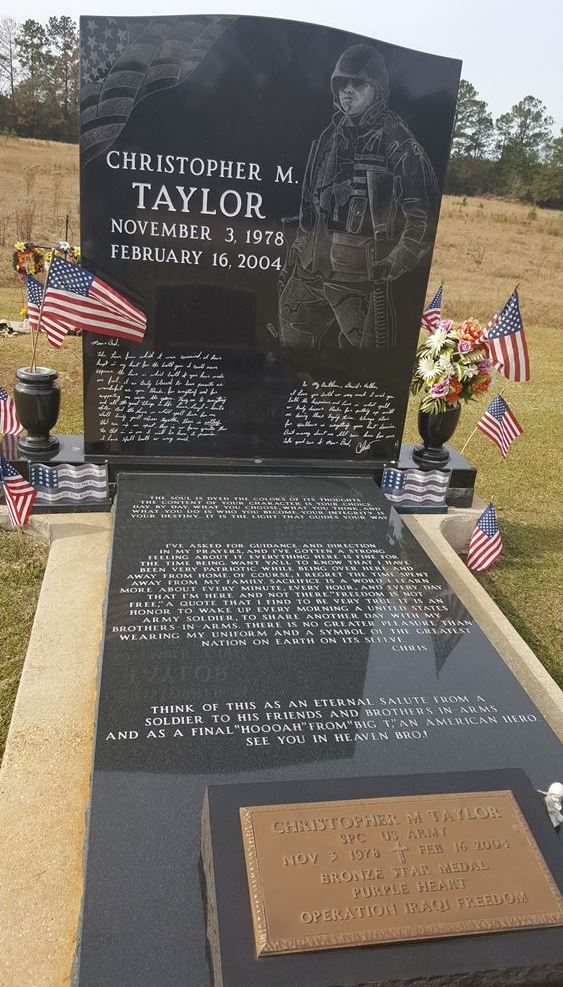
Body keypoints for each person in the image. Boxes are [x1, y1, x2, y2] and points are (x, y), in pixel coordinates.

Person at [279, 44, 439, 349]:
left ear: (377, 89)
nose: (347, 92)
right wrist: (298, 250)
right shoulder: (329, 135)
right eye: (342, 84)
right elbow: (310, 203)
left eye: (357, 84)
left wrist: (393, 263)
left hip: (359, 282)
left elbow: (422, 217)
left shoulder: (397, 142)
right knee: (289, 353)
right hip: (310, 270)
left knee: (361, 372)